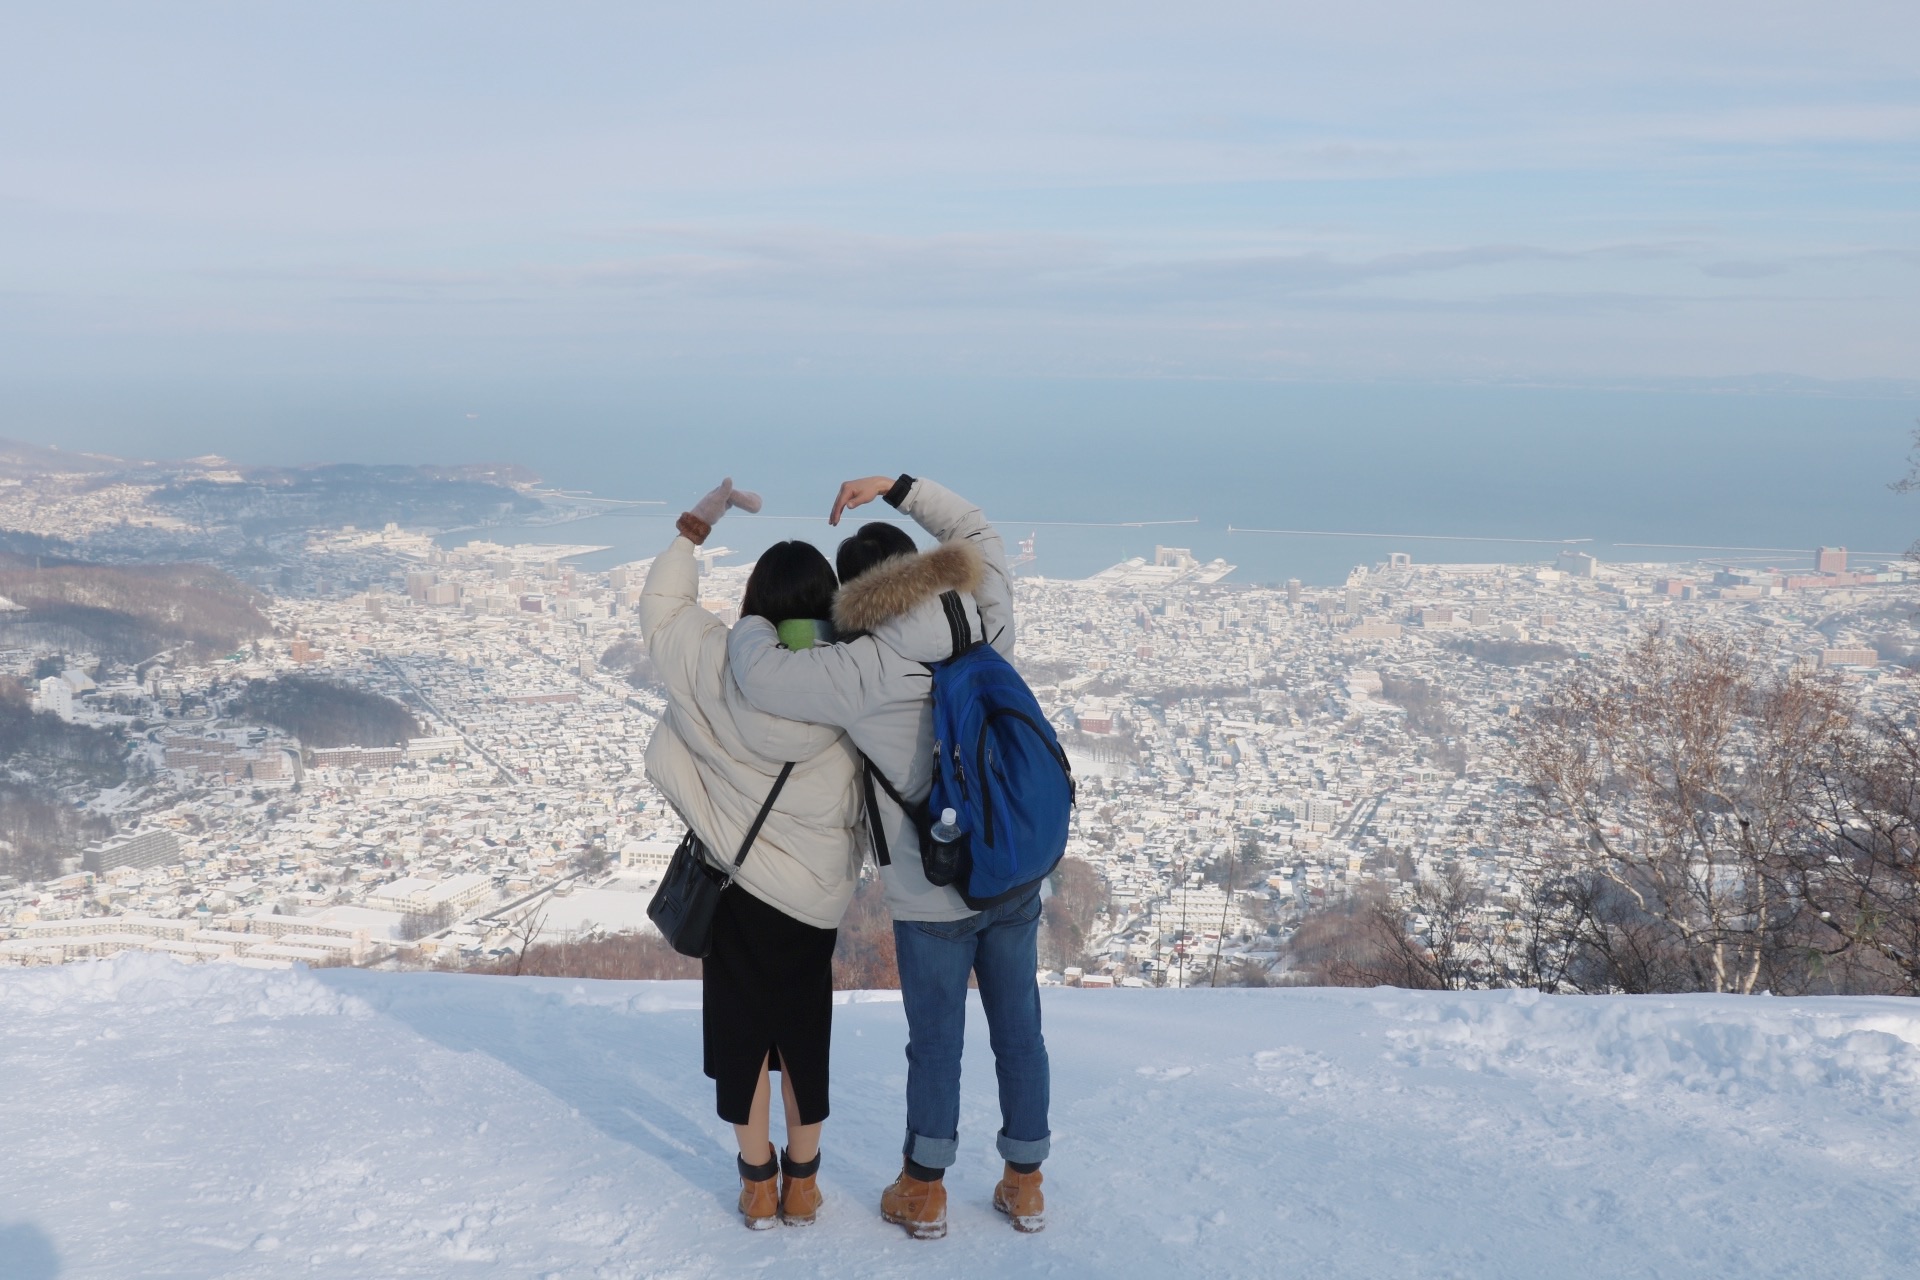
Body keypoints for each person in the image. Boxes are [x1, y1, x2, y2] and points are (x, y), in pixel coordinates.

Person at [727, 473, 1050, 1240]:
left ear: (857, 595)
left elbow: (757, 670)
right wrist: (901, 487)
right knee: (1020, 1027)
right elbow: (977, 532)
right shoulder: (987, 621)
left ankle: (924, 1190)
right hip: (1014, 868)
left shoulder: (860, 671)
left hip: (932, 895)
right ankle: (1026, 1181)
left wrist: (752, 617)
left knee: (937, 1040)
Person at [639, 478, 864, 1230]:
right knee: (802, 1033)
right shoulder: (852, 683)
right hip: (809, 902)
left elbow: (664, 610)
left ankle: (756, 1181)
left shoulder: (714, 660)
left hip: (734, 892)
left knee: (742, 1035)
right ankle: (803, 1182)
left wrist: (700, 522)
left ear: (756, 604)